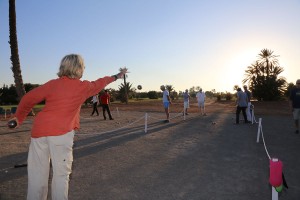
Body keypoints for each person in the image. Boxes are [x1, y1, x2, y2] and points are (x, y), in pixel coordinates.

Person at [8, 54, 127, 200]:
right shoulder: (84, 87)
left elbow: (28, 99)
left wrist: (19, 118)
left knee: (37, 175)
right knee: (61, 175)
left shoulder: (52, 84)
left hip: (39, 132)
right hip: (61, 134)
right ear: (78, 68)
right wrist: (117, 76)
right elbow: (101, 82)